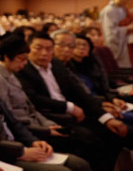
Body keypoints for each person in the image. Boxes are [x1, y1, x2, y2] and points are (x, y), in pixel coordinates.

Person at [0, 34, 90, 171]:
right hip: (2, 155)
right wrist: (20, 152)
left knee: (80, 164)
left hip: (16, 145)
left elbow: (12, 121)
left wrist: (33, 141)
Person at [16, 32, 131, 171]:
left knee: (115, 133)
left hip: (74, 115)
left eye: (48, 49)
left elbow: (81, 95)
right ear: (28, 49)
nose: (44, 53)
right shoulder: (22, 69)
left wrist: (107, 119)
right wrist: (69, 107)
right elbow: (34, 99)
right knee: (90, 141)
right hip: (51, 118)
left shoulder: (56, 65)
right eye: (38, 48)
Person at [100, 0, 133, 67]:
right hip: (114, 46)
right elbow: (109, 32)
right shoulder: (109, 10)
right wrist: (127, 28)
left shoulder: (122, 9)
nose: (128, 2)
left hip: (123, 43)